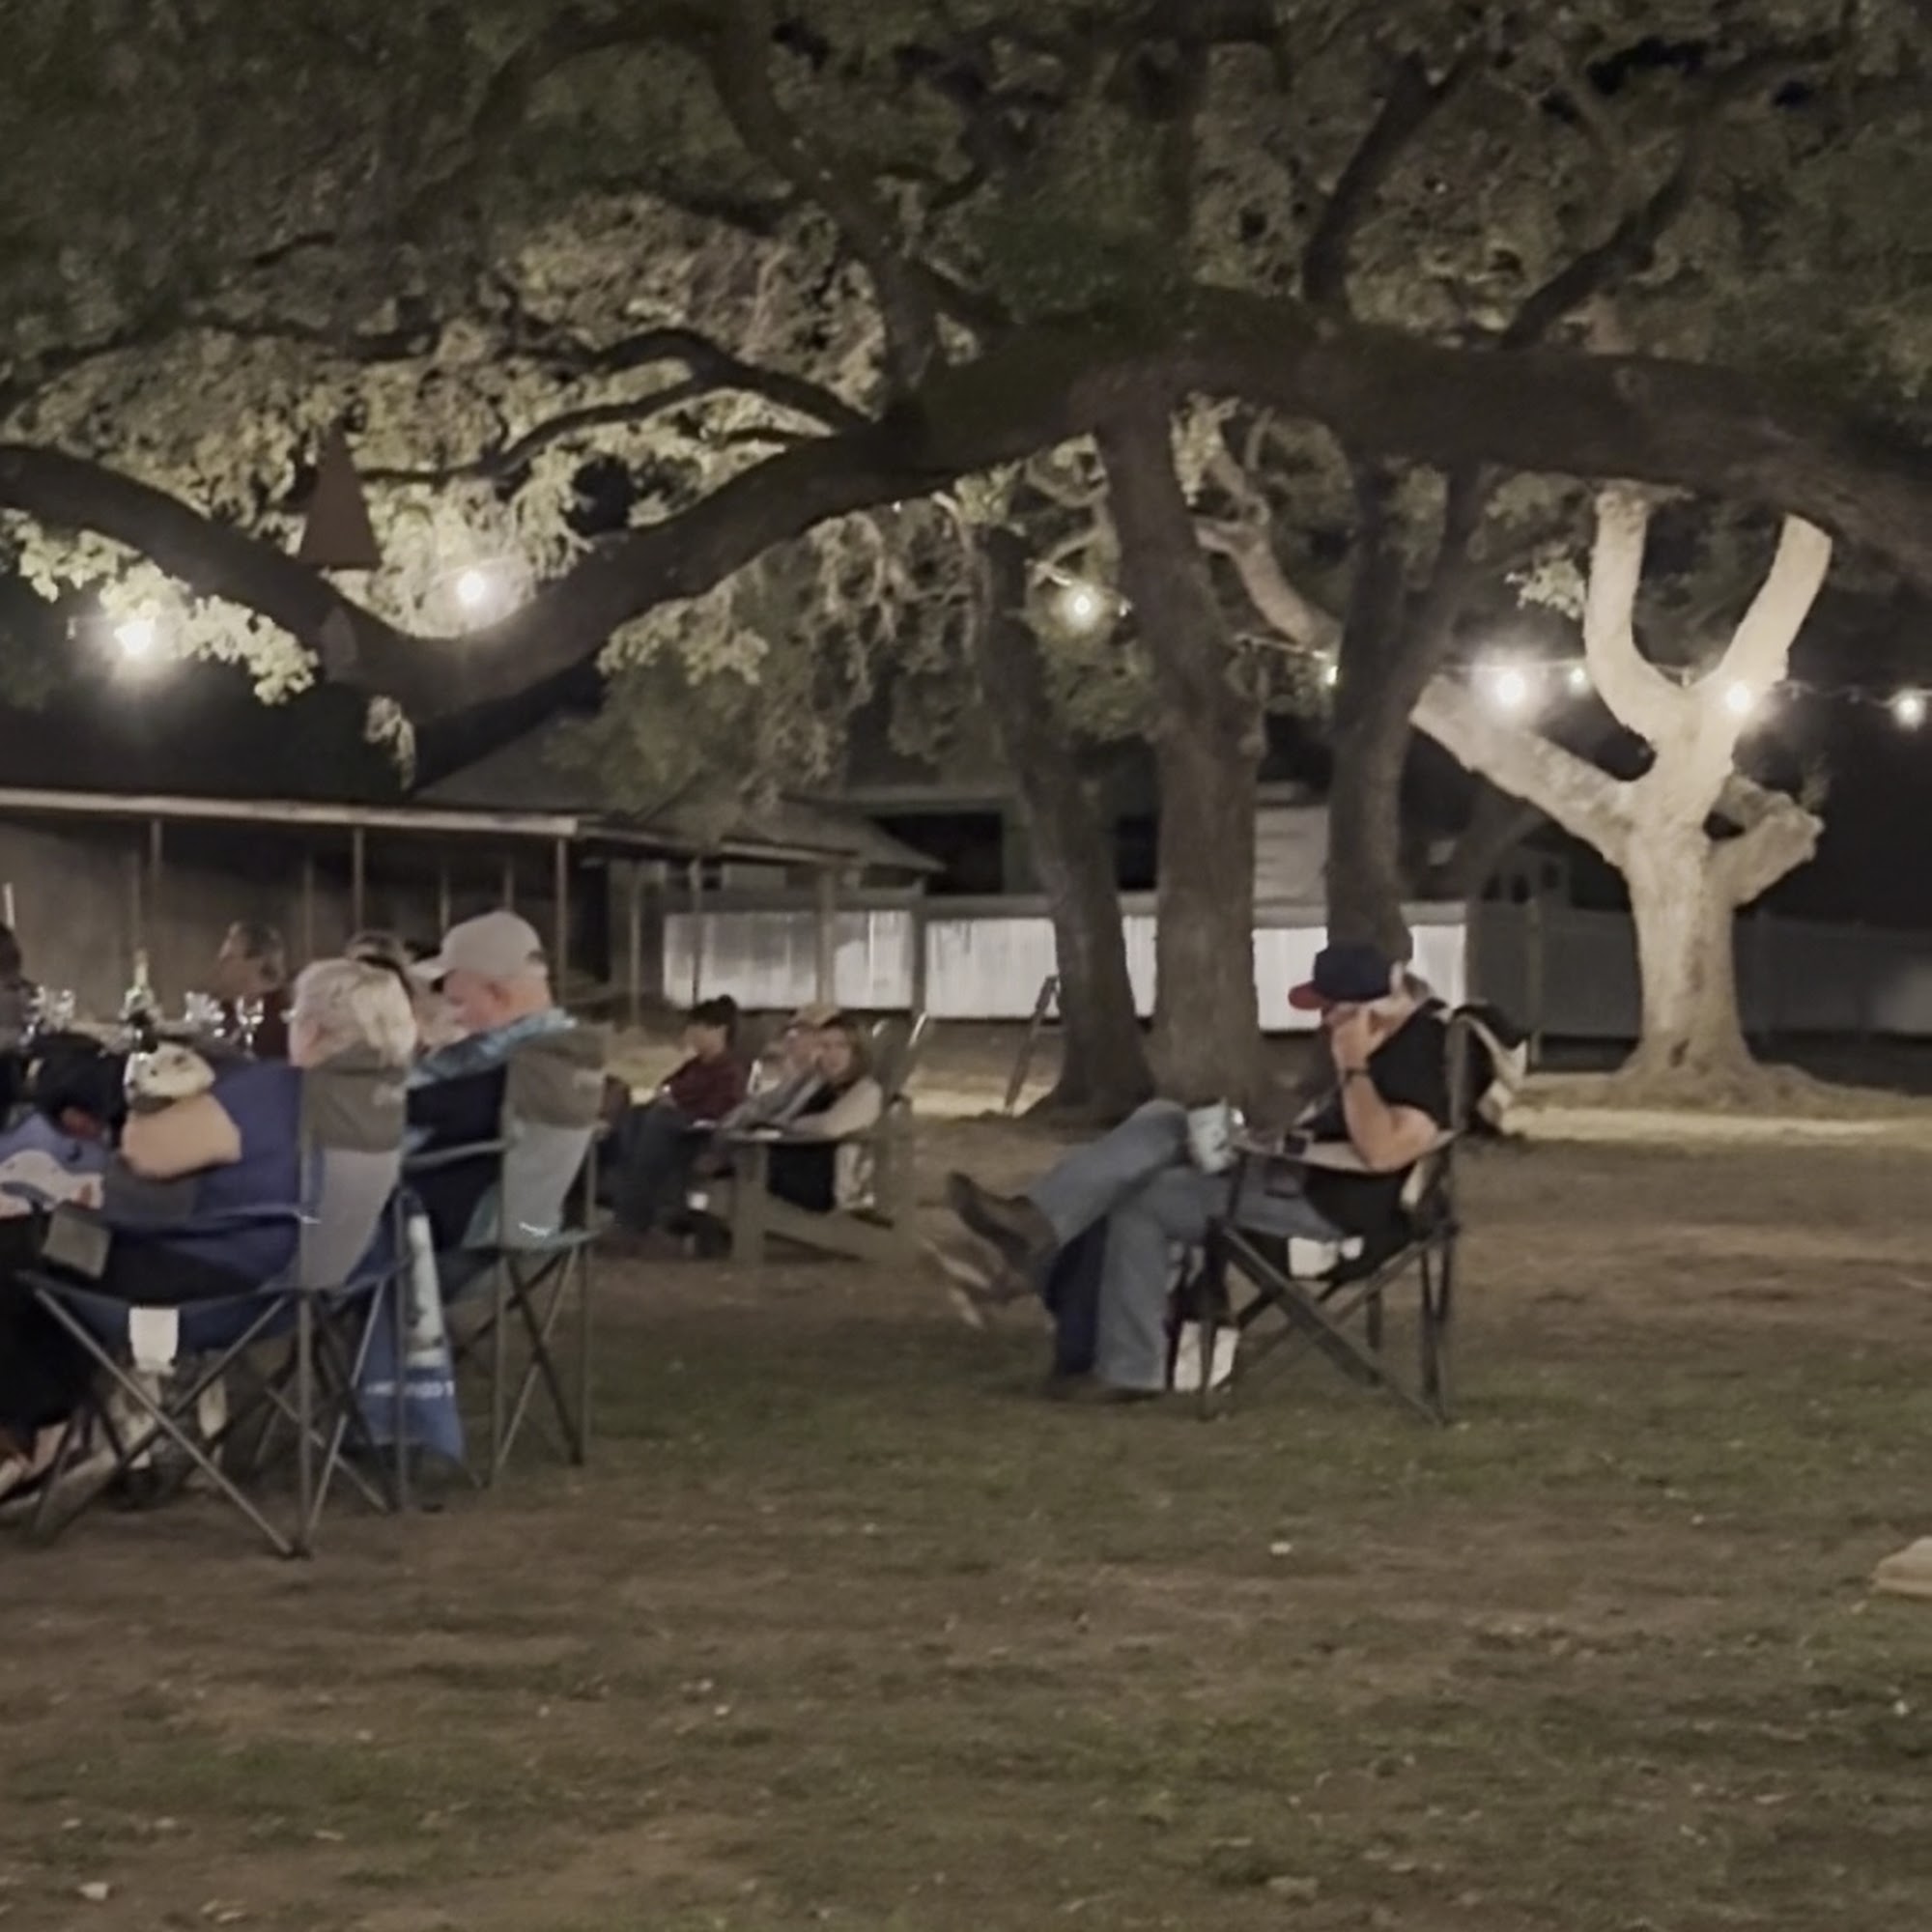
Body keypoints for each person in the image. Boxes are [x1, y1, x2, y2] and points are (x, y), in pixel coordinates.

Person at [939, 943, 1452, 1404]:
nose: (1322, 1023)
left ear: (1371, 1013)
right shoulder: (1391, 1042)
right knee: (1164, 1118)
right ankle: (1035, 1227)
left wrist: (1353, 1066)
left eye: (1330, 1011)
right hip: (1296, 1179)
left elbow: (1384, 1151)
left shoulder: (1416, 1056)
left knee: (1145, 1199)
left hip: (1333, 1217)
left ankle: (1111, 1350)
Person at [0, 958, 416, 1502]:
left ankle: (37, 1438)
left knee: (26, 1246)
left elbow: (146, 1154)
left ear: (314, 1028)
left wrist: (149, 1095)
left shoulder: (281, 1092)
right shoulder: (382, 1098)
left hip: (214, 1286)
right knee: (48, 1245)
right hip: (307, 1285)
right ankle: (54, 1435)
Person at [404, 910, 572, 1254]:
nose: (452, 1015)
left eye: (457, 1002)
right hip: (534, 1223)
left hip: (450, 1226)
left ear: (498, 995)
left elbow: (413, 1108)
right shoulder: (563, 1051)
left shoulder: (512, 1064)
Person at [608, 997, 747, 1236]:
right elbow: (667, 1086)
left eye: (699, 1028)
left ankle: (635, 1217)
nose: (692, 1034)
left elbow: (722, 1110)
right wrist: (667, 1097)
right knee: (637, 1114)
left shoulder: (730, 1071)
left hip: (699, 1134)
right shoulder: (693, 1066)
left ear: (720, 1031)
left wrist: (679, 1108)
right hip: (671, 1127)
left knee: (658, 1120)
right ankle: (631, 1206)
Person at [763, 1015, 885, 1215]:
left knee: (745, 1168)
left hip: (823, 1183)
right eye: (825, 1047)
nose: (832, 1055)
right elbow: (784, 1117)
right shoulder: (819, 1084)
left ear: (857, 1052)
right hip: (793, 1162)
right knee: (731, 1159)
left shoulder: (866, 1091)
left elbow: (830, 1127)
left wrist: (793, 1125)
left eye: (841, 1046)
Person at [211, 921, 291, 1060]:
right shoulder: (223, 1015)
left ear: (257, 962)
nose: (220, 966)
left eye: (228, 959)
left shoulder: (287, 1020)